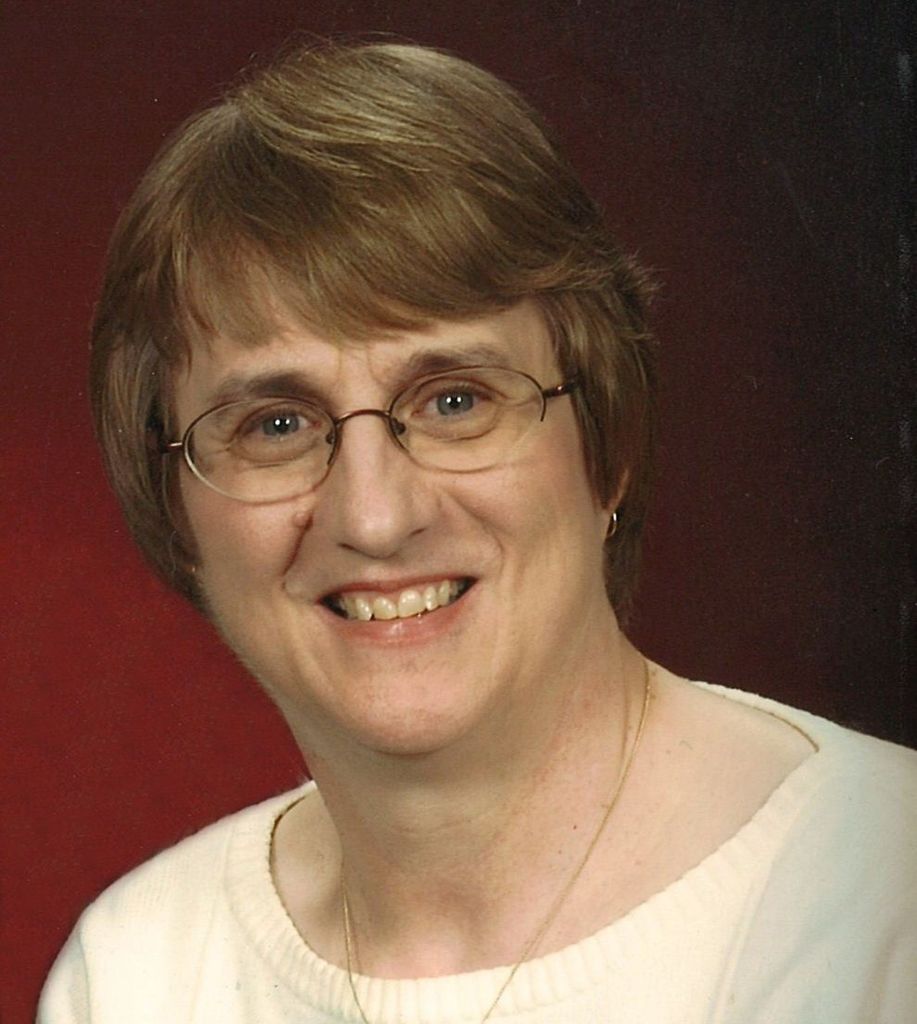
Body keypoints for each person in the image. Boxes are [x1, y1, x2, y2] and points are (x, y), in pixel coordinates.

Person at [39, 40, 916, 1024]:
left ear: (606, 442)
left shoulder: (882, 901)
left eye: (454, 400)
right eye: (276, 425)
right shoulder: (136, 974)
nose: (374, 516)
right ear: (176, 511)